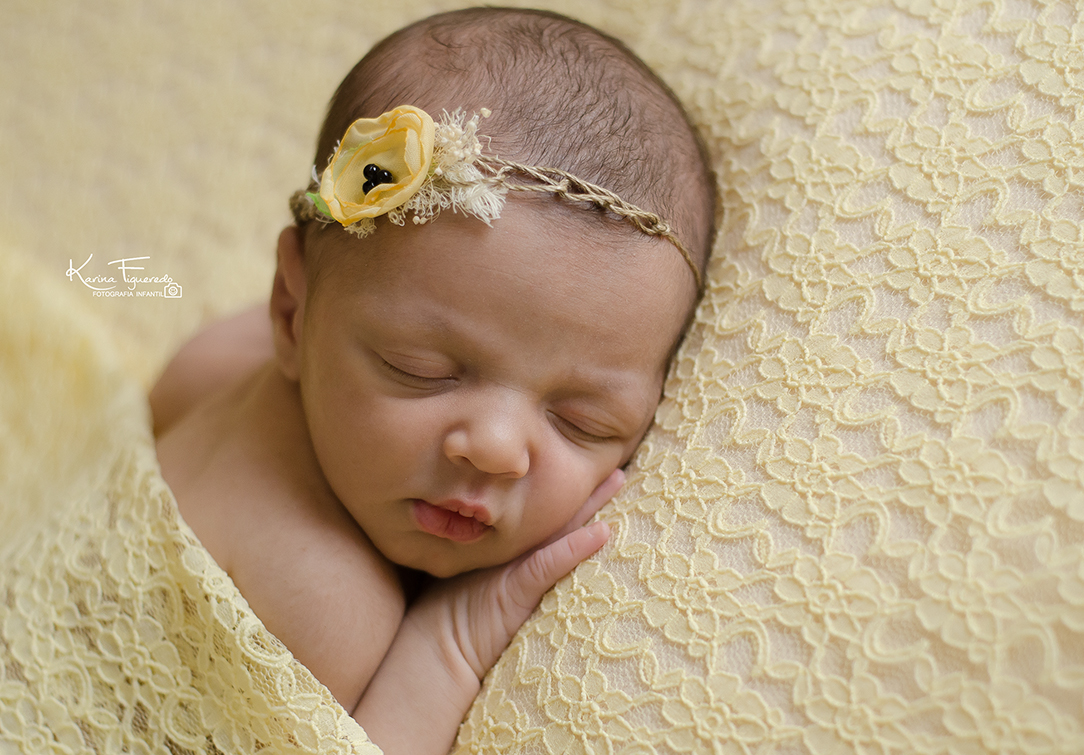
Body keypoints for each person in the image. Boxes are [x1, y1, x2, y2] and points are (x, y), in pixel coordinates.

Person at [149, 7, 714, 754]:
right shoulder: (322, 603)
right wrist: (454, 637)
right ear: (293, 309)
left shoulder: (225, 361)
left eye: (584, 421)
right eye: (423, 371)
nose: (496, 448)